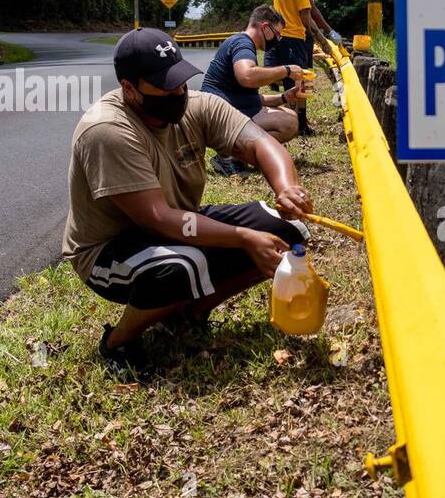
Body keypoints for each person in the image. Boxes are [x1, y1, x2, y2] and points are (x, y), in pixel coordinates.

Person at [62, 27, 313, 374]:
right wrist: (243, 237)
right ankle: (117, 343)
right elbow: (157, 219)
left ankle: (190, 312)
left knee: (289, 230)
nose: (178, 92)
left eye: (180, 81)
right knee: (184, 266)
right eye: (166, 87)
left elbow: (260, 144)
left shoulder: (196, 106)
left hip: (178, 224)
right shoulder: (107, 130)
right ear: (129, 89)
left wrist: (286, 187)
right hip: (110, 248)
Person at [200, 5, 309, 175]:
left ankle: (235, 155)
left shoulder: (241, 43)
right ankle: (230, 157)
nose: (277, 39)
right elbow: (247, 76)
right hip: (218, 118)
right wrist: (286, 70)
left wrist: (285, 97)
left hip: (224, 112)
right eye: (277, 34)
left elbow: (250, 99)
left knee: (289, 116)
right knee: (288, 123)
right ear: (265, 27)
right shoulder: (243, 43)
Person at [265, 0, 342, 136]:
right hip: (294, 37)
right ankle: (297, 123)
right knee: (299, 81)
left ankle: (300, 121)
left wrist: (328, 29)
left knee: (300, 79)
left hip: (288, 36)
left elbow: (311, 6)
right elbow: (305, 17)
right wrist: (323, 41)